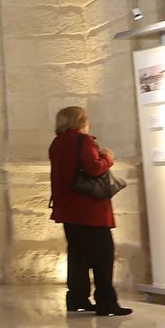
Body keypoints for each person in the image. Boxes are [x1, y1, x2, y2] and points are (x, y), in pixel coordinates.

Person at [48, 106, 132, 317]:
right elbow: (94, 168)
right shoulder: (83, 141)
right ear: (81, 121)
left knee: (78, 255)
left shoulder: (56, 143)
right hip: (89, 209)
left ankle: (77, 298)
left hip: (67, 208)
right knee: (103, 256)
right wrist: (108, 158)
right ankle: (106, 302)